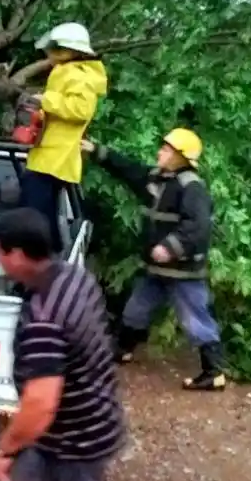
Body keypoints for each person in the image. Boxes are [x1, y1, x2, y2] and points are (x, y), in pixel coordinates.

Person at [0, 207, 125, 481]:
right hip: (71, 428)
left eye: (1, 252)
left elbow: (41, 403)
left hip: (76, 442)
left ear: (20, 254)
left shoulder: (44, 319)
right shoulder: (76, 277)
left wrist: (3, 448)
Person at [81, 128, 227, 391]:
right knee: (136, 308)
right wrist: (97, 152)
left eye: (167, 149)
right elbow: (129, 169)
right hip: (157, 267)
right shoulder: (158, 179)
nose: (160, 151)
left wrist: (170, 248)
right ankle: (122, 349)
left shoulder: (191, 186)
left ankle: (214, 372)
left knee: (195, 318)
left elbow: (198, 227)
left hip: (182, 270)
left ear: (181, 158)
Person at [22, 22, 108, 255]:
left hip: (56, 157)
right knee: (42, 216)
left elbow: (80, 110)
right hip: (48, 153)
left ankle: (44, 264)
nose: (49, 53)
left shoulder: (79, 75)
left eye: (54, 48)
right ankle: (49, 261)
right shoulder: (65, 71)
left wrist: (46, 101)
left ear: (68, 50)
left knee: (35, 217)